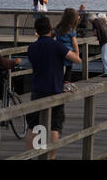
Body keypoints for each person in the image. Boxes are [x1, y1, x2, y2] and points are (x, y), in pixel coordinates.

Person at [25, 17, 81, 159]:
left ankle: (30, 156)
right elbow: (76, 59)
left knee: (33, 125)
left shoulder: (31, 48)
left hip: (37, 89)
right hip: (54, 90)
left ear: (36, 31)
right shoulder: (56, 46)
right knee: (54, 126)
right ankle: (51, 157)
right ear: (50, 28)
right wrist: (75, 46)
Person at [54, 8, 80, 92]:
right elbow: (74, 43)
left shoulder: (58, 27)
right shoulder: (71, 30)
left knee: (60, 67)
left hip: (59, 50)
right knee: (69, 68)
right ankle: (66, 84)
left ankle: (59, 83)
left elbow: (54, 36)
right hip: (69, 52)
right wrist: (77, 53)